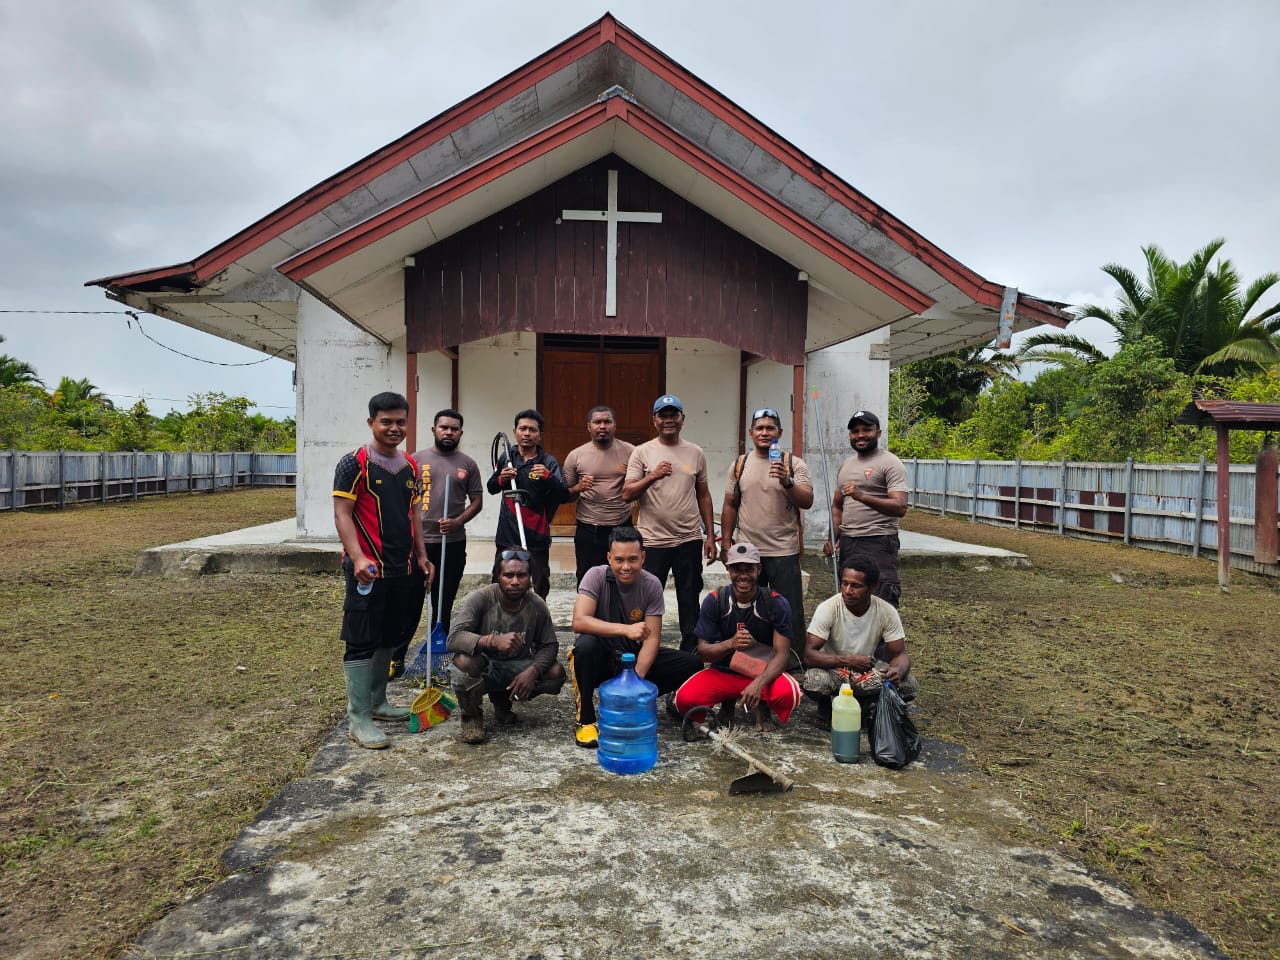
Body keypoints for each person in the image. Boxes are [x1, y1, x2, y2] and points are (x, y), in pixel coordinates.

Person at [332, 392, 434, 750]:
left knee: (389, 637)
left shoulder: (409, 467)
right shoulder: (354, 463)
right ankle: (358, 717)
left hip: (402, 569)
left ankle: (377, 702)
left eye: (400, 422)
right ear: (371, 422)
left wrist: (421, 556)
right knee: (361, 639)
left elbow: (414, 516)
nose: (394, 428)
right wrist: (357, 557)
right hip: (367, 570)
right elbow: (343, 514)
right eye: (386, 421)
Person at [568, 527, 701, 748]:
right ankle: (586, 720)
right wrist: (625, 629)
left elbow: (652, 639)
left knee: (692, 663)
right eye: (619, 560)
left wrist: (633, 683)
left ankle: (658, 700)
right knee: (584, 646)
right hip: (602, 657)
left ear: (643, 557)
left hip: (633, 658)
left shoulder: (651, 584)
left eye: (633, 559)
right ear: (609, 557)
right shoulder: (596, 576)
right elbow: (579, 622)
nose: (626, 567)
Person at [391, 408, 484, 677]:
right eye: (444, 428)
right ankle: (396, 658)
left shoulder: (467, 464)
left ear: (460, 433)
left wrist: (458, 521)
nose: (449, 432)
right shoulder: (414, 461)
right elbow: (402, 499)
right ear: (434, 430)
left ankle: (436, 659)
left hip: (451, 544)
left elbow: (477, 501)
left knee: (442, 604)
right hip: (419, 544)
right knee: (411, 602)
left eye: (454, 429)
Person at [673, 542, 803, 731]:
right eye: (736, 569)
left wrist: (759, 683)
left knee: (790, 693)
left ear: (759, 569)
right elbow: (703, 652)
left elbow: (782, 654)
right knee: (684, 700)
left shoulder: (775, 602)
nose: (743, 575)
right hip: (724, 671)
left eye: (749, 569)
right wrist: (730, 643)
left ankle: (762, 704)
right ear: (728, 569)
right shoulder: (716, 601)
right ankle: (727, 702)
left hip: (761, 671)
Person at [622, 395, 716, 652]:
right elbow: (628, 493)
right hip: (653, 541)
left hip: (688, 539)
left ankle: (689, 654)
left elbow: (703, 494)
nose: (668, 420)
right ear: (654, 420)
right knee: (646, 599)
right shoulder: (641, 452)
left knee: (689, 598)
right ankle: (641, 650)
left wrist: (709, 535)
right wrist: (653, 476)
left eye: (673, 415)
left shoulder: (695, 452)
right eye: (663, 415)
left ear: (682, 419)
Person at [719, 407, 814, 659]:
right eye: (759, 428)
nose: (764, 432)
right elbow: (730, 504)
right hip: (748, 552)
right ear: (751, 433)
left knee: (790, 609)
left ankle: (793, 661)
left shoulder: (794, 464)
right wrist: (726, 543)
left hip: (784, 550)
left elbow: (807, 501)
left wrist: (787, 481)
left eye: (770, 428)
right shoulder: (740, 464)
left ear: (779, 433)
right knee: (748, 606)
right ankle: (751, 657)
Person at [447, 550, 566, 744]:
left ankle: (502, 701)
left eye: (522, 575)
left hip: (517, 667)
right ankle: (471, 717)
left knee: (555, 672)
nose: (515, 581)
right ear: (497, 576)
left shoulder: (537, 605)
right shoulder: (480, 599)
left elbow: (550, 645)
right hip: (484, 668)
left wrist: (533, 671)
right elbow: (453, 638)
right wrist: (491, 641)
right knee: (463, 662)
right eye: (508, 575)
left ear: (530, 578)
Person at [802, 554, 918, 729]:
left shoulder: (886, 611)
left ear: (872, 587)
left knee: (909, 685)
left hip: (866, 671)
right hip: (834, 670)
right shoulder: (828, 608)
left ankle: (866, 707)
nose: (848, 590)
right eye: (844, 583)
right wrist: (847, 660)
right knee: (814, 681)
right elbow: (809, 655)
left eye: (856, 586)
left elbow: (900, 654)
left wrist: (897, 671)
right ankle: (826, 710)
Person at [822, 409, 909, 607]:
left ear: (878, 432)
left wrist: (861, 496)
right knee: (850, 596)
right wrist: (833, 538)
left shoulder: (890, 463)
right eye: (855, 431)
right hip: (849, 543)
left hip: (878, 541)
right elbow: (837, 506)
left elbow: (900, 506)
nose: (860, 435)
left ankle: (881, 639)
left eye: (866, 430)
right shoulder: (845, 465)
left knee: (880, 598)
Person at [486, 409, 569, 599]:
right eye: (522, 428)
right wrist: (502, 479)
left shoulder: (548, 462)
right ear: (515, 431)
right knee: (500, 585)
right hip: (507, 535)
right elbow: (491, 487)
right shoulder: (506, 458)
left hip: (536, 536)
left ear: (540, 435)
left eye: (532, 430)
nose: (527, 433)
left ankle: (535, 624)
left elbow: (563, 495)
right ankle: (499, 625)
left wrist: (548, 478)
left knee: (538, 585)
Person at [562, 405, 636, 586]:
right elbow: (566, 496)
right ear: (589, 426)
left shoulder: (631, 452)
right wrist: (579, 488)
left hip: (622, 526)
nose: (602, 426)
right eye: (597, 422)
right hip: (589, 528)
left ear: (614, 425)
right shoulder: (576, 456)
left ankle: (619, 615)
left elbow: (642, 487)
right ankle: (587, 614)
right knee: (587, 580)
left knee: (623, 578)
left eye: (607, 422)